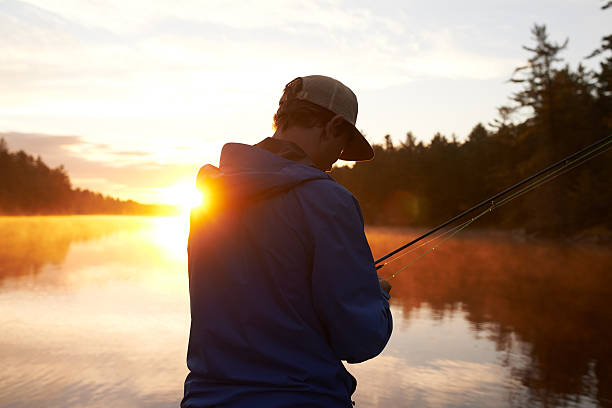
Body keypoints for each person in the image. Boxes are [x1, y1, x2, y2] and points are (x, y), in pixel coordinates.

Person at [182, 75, 393, 408]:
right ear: (334, 125)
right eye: (341, 145)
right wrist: (377, 297)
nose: (337, 159)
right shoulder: (328, 199)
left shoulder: (210, 198)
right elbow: (360, 339)